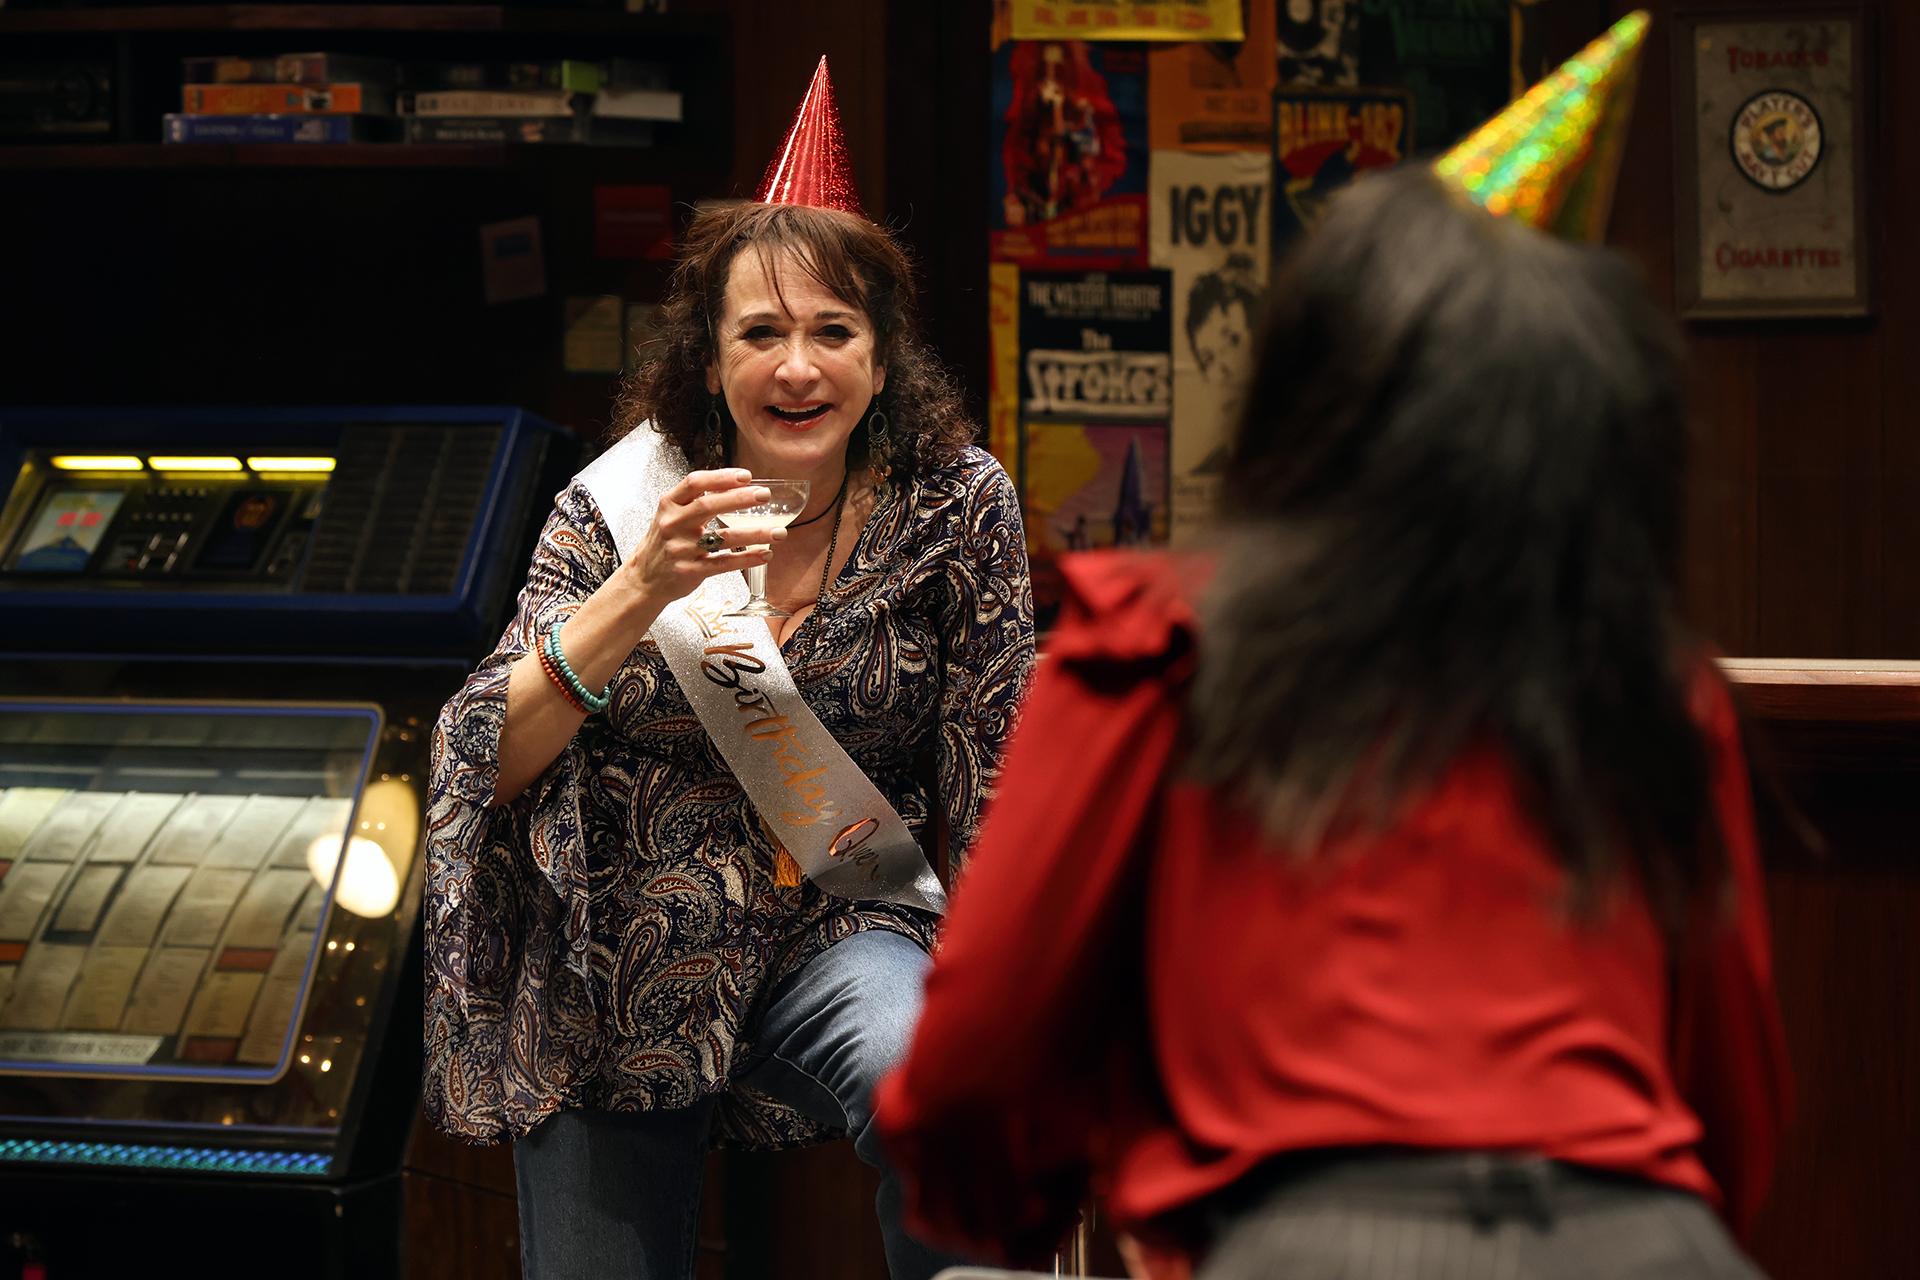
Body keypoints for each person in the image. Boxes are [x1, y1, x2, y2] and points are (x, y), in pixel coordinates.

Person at [874, 27, 1790, 1278]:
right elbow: (1734, 1107)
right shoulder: (1657, 688)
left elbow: (979, 1058)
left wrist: (1052, 1208)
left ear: (1303, 396)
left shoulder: (1163, 638)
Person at [422, 59, 1033, 1280]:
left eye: (833, 332)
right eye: (761, 333)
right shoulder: (621, 508)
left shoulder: (956, 503)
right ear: (709, 359)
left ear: (881, 359)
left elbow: (1001, 770)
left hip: (847, 919)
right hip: (615, 955)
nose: (797, 367)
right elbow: (478, 758)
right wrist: (642, 587)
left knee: (941, 1084)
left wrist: (1024, 1008)